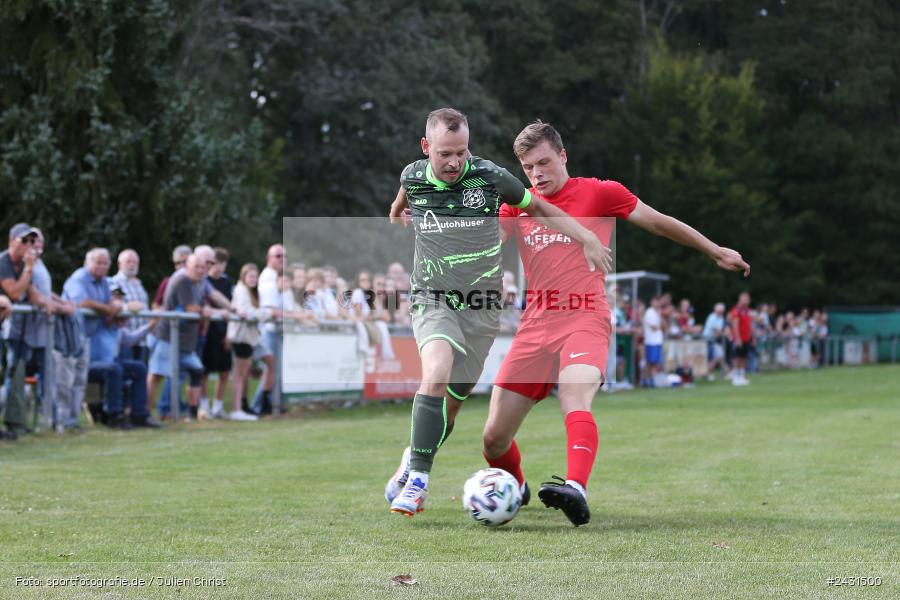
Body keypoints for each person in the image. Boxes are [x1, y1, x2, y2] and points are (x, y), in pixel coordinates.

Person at [478, 121, 750, 526]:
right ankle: (516, 489)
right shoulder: (517, 204)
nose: (536, 174)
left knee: (574, 395)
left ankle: (576, 488)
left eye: (543, 163)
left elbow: (659, 221)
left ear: (563, 156)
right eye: (527, 167)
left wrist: (713, 251)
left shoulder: (601, 192)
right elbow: (483, 247)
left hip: (585, 316)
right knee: (493, 438)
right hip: (535, 325)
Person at [383, 108, 610, 517]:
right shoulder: (412, 174)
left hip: (483, 310)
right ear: (425, 148)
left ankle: (411, 455)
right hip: (434, 296)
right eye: (444, 154)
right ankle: (418, 478)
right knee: (435, 373)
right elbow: (403, 196)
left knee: (452, 406)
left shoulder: (492, 179)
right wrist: (399, 211)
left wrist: (585, 236)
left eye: (461, 152)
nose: (454, 162)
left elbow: (537, 209)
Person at [147, 254, 231, 421]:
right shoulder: (182, 280)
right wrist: (206, 311)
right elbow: (190, 308)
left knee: (196, 371)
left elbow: (208, 302)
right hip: (168, 337)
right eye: (197, 267)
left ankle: (192, 413)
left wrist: (226, 310)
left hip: (186, 341)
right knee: (157, 374)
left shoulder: (200, 282)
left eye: (203, 267)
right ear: (187, 267)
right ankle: (146, 413)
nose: (201, 270)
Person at [226, 263, 271, 421]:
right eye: (250, 276)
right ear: (243, 277)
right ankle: (236, 409)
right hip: (241, 337)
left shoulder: (254, 293)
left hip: (249, 338)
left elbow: (255, 313)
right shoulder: (241, 290)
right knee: (239, 375)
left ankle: (241, 407)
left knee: (244, 374)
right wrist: (266, 313)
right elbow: (248, 314)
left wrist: (262, 313)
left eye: (255, 276)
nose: (253, 279)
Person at [200, 247, 233, 419]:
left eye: (223, 263)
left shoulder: (227, 282)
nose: (220, 267)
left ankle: (218, 406)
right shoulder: (203, 280)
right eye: (217, 263)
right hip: (208, 331)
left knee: (225, 370)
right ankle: (204, 405)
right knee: (205, 371)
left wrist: (229, 334)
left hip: (224, 331)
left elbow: (230, 306)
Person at [111, 249, 151, 361]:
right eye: (128, 261)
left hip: (142, 339)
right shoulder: (114, 282)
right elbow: (116, 304)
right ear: (119, 264)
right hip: (124, 338)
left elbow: (141, 306)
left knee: (140, 371)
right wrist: (130, 306)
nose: (132, 265)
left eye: (135, 262)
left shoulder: (139, 284)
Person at [729, 291, 754, 385]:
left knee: (744, 357)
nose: (745, 301)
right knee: (737, 357)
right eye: (744, 299)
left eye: (747, 299)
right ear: (740, 300)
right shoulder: (736, 311)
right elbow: (735, 326)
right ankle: (735, 377)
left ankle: (741, 376)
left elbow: (749, 325)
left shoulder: (748, 311)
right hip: (739, 338)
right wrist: (738, 339)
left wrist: (752, 336)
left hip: (746, 338)